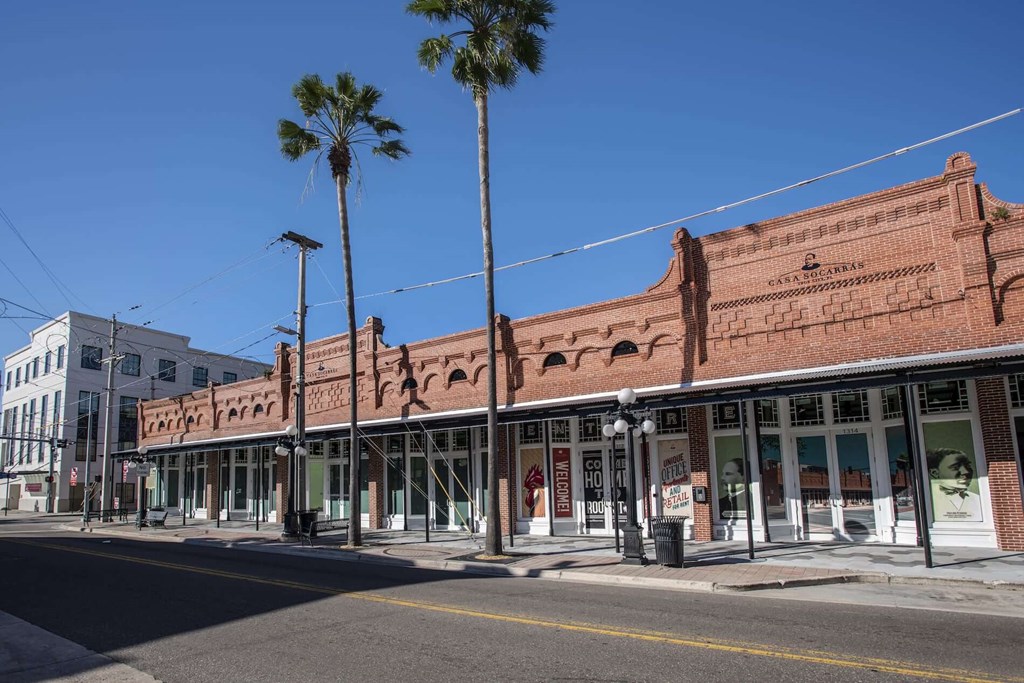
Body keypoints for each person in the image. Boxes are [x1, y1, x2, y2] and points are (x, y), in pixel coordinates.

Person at [926, 448, 982, 522]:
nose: (966, 471)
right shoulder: (928, 499)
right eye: (955, 467)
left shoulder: (978, 500)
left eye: (968, 466)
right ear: (935, 473)